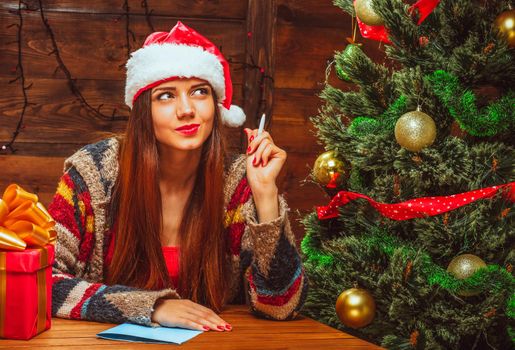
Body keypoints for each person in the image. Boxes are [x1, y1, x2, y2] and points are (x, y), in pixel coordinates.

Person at [49, 21, 307, 332]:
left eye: (200, 92)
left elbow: (280, 305)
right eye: (166, 96)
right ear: (144, 110)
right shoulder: (93, 174)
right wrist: (152, 306)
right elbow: (42, 283)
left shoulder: (239, 181)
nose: (187, 110)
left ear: (216, 104)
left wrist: (266, 195)